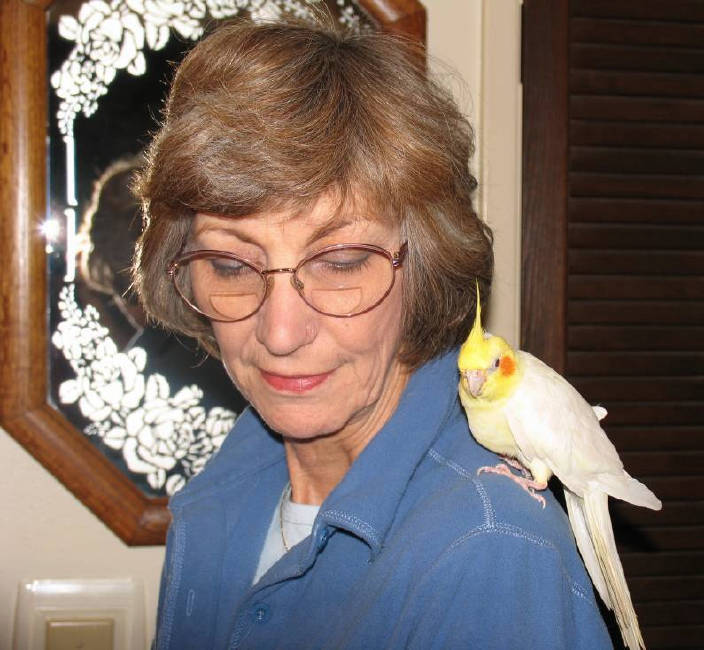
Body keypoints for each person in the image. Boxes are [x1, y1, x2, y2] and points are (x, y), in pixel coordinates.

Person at [133, 15, 612, 649]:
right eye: (230, 264)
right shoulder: (227, 487)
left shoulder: (487, 549)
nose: (280, 333)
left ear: (427, 266)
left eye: (339, 262)